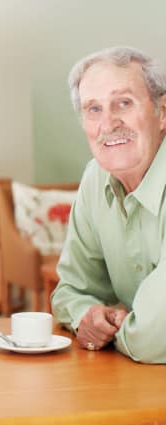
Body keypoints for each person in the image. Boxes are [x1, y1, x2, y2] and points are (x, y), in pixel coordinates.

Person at [52, 47, 166, 363]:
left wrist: (116, 331)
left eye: (124, 103)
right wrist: (87, 317)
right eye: (93, 109)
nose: (109, 123)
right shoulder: (96, 177)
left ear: (163, 112)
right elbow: (70, 292)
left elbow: (153, 337)